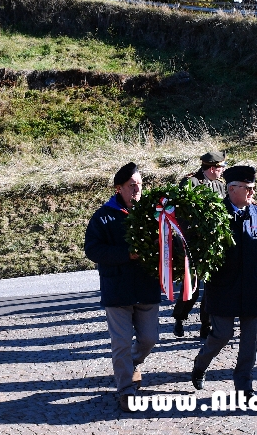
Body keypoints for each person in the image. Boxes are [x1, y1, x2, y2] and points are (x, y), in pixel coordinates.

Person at [191, 166, 257, 399]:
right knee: (221, 335)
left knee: (249, 343)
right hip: (223, 289)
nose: (252, 193)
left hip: (251, 289)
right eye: (248, 188)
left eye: (254, 188)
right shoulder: (213, 215)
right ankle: (200, 364)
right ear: (232, 188)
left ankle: (244, 386)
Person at [84, 162, 161, 412]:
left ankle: (132, 364)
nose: (137, 189)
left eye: (140, 184)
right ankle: (126, 389)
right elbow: (93, 250)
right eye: (132, 186)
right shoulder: (103, 216)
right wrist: (127, 254)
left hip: (146, 287)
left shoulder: (152, 212)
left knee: (150, 339)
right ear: (119, 188)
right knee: (121, 343)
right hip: (117, 290)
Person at [172, 151, 227, 339]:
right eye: (220, 168)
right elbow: (181, 211)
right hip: (193, 242)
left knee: (211, 286)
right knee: (192, 286)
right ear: (212, 168)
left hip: (213, 243)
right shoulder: (190, 183)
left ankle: (206, 324)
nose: (222, 172)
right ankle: (179, 318)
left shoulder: (220, 186)